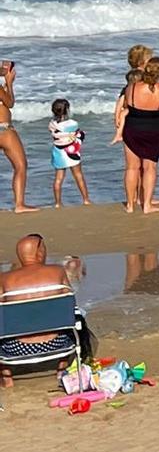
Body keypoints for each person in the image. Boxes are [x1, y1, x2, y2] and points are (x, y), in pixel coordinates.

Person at [0, 234, 80, 382]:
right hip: (57, 344)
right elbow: (70, 306)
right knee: (70, 318)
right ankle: (61, 369)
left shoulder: (4, 279)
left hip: (14, 349)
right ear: (40, 252)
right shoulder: (57, 272)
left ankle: (7, 378)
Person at [112, 48, 159, 213]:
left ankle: (130, 205)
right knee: (149, 168)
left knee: (131, 167)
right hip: (153, 132)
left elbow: (126, 106)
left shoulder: (131, 88)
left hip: (132, 130)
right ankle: (146, 204)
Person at [0, 61, 31, 214]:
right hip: (4, 129)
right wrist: (9, 84)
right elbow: (10, 102)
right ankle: (19, 204)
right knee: (21, 165)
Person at [46, 99, 88, 207]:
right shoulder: (72, 123)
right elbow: (77, 133)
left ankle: (58, 203)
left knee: (58, 178)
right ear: (67, 110)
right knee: (78, 175)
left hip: (58, 151)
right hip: (71, 152)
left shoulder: (52, 124)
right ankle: (86, 199)